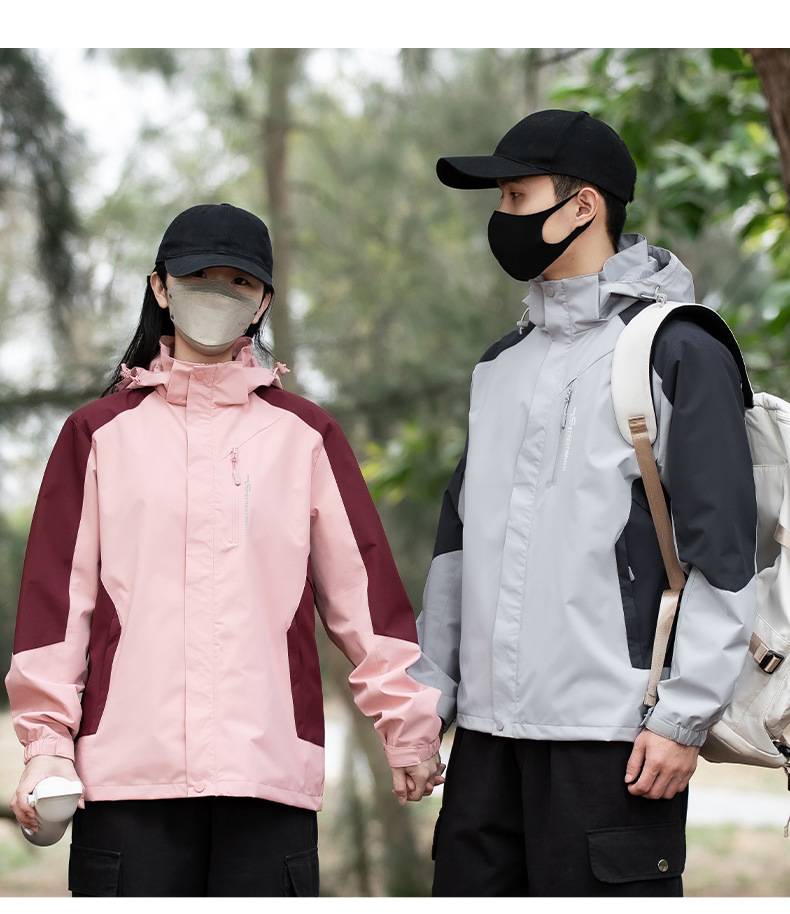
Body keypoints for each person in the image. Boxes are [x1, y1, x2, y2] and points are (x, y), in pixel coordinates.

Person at [6, 202, 444, 897]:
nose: (219, 292)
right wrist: (46, 746)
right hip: (127, 784)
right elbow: (58, 607)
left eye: (239, 281)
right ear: (160, 287)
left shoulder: (305, 435)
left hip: (267, 779)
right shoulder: (96, 435)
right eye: (198, 277)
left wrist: (408, 727)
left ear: (263, 301)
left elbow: (364, 598)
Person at [409, 110, 757, 896]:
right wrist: (431, 701)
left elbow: (724, 553)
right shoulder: (499, 365)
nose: (501, 218)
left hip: (614, 743)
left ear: (583, 206)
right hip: (487, 746)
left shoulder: (679, 348)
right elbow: (458, 548)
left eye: (516, 196)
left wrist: (683, 718)